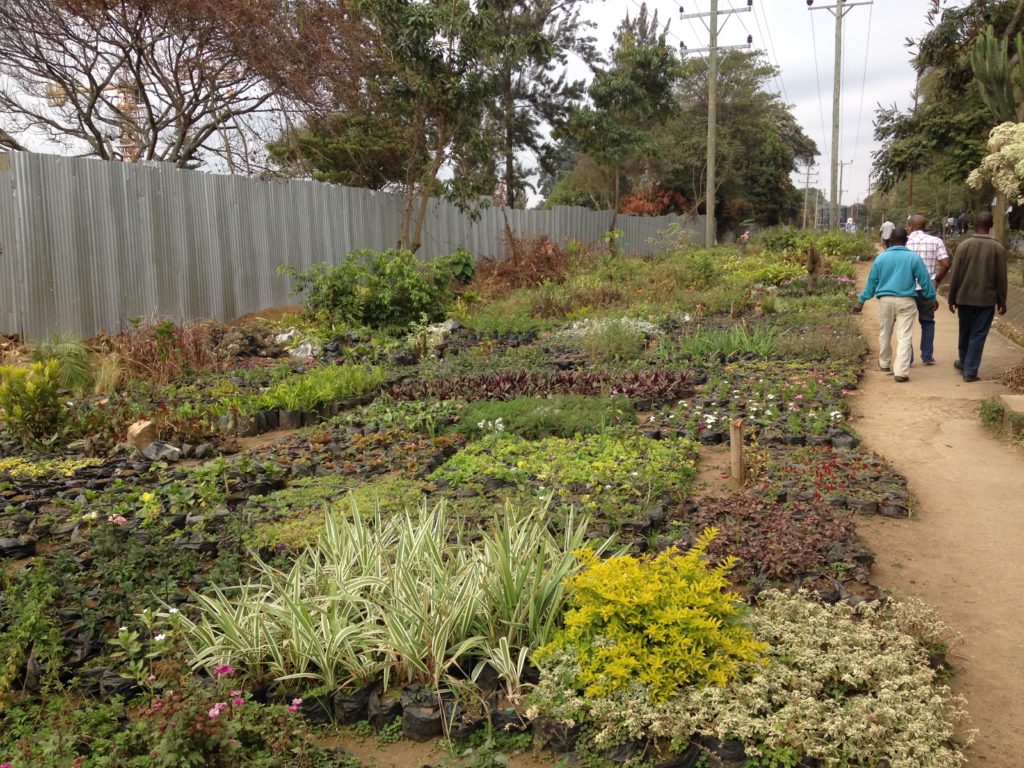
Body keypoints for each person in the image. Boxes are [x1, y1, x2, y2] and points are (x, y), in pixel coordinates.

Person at [853, 227, 937, 382]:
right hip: (906, 301)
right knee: (904, 336)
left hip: (885, 301)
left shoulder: (881, 259)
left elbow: (872, 284)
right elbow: (925, 282)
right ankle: (901, 372)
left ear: (889, 241)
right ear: (906, 241)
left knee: (885, 333)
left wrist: (861, 301)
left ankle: (884, 363)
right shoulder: (914, 258)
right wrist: (931, 298)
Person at [947, 211, 1008, 383]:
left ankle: (964, 362)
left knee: (964, 331)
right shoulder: (998, 248)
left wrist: (951, 299)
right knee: (978, 335)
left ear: (974, 224)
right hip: (986, 300)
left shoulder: (964, 246)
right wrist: (1002, 301)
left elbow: (955, 274)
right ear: (991, 226)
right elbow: (1001, 278)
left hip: (964, 297)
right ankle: (970, 370)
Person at [906, 215, 950, 365]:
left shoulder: (904, 242)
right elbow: (945, 263)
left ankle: (908, 357)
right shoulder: (936, 241)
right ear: (925, 226)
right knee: (927, 322)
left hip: (907, 288)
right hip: (927, 288)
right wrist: (936, 280)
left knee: (906, 324)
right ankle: (927, 356)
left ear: (910, 226)